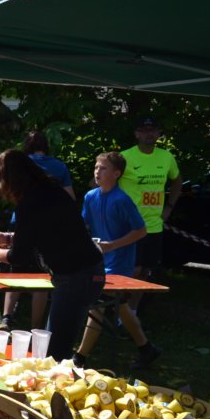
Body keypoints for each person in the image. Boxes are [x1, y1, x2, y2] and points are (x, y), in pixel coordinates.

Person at [0, 149, 105, 361]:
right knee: (57, 346)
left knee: (55, 353)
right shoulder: (50, 191)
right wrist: (7, 237)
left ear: (10, 180)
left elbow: (18, 257)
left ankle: (59, 381)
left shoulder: (30, 203)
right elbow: (45, 234)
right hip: (86, 272)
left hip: (76, 276)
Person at [73, 152, 161, 368]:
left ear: (116, 174)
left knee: (99, 303)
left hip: (120, 262)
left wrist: (112, 245)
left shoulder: (122, 200)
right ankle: (146, 348)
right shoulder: (90, 196)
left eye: (103, 168)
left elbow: (141, 231)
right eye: (96, 167)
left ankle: (80, 357)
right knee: (119, 305)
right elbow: (83, 227)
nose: (97, 171)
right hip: (99, 261)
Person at [0, 130, 74, 332]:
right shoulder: (59, 166)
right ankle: (36, 327)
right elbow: (70, 198)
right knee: (42, 277)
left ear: (26, 146)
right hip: (49, 227)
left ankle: (6, 317)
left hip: (21, 221)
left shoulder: (22, 164)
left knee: (15, 271)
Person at [118, 117, 181, 314]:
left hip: (154, 225)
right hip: (130, 225)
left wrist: (169, 207)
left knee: (146, 271)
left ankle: (132, 311)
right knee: (133, 270)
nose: (149, 134)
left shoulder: (166, 157)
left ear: (158, 133)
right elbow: (101, 182)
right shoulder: (124, 157)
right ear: (137, 134)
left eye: (153, 130)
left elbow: (177, 181)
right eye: (144, 130)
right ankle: (119, 309)